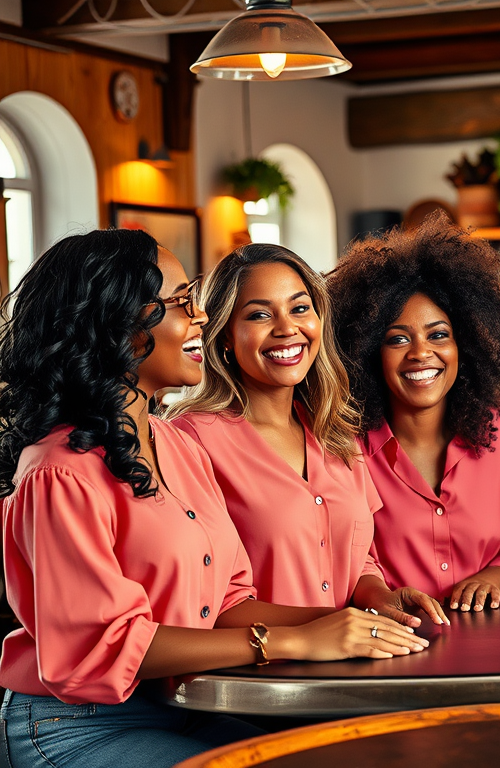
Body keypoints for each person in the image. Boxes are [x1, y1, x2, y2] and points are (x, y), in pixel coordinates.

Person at [0, 230, 428, 768]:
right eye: (181, 303)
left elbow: (228, 602)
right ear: (115, 324)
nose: (200, 317)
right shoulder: (58, 472)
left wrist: (346, 623)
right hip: (76, 725)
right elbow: (97, 648)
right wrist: (287, 643)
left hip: (176, 706)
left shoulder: (176, 447)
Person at [169, 244, 446, 627]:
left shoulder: (336, 432)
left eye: (300, 309)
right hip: (256, 678)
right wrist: (329, 625)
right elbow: (202, 598)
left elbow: (358, 558)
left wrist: (380, 597)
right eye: (260, 315)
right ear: (226, 336)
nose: (287, 328)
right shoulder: (190, 440)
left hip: (349, 667)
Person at [326, 213, 500, 612]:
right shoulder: (345, 448)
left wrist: (490, 579)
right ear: (369, 354)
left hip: (493, 644)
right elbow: (352, 559)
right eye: (398, 339)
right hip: (390, 644)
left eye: (438, 335)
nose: (421, 353)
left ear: (466, 345)